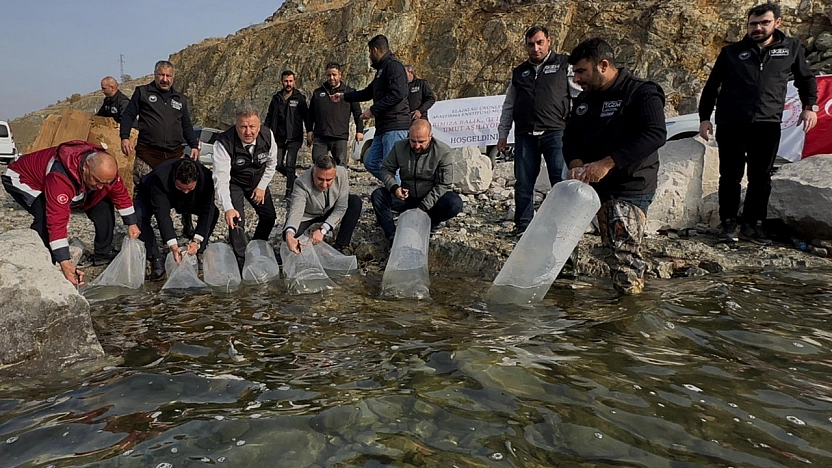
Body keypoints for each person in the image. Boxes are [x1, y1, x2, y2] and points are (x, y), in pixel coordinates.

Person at [698, 2, 818, 245]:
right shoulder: (731, 52)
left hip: (767, 123)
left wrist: (809, 108)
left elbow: (806, 79)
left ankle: (753, 225)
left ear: (777, 23)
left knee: (760, 177)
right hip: (731, 123)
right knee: (730, 175)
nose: (758, 28)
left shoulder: (791, 48)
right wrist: (704, 118)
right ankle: (729, 223)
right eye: (753, 24)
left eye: (764, 23)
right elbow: (712, 87)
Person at [563, 38, 667, 295]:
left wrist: (608, 163)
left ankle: (629, 319)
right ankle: (563, 308)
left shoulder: (641, 92)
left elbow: (655, 134)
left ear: (604, 65)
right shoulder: (585, 99)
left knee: (623, 257)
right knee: (559, 241)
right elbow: (570, 137)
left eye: (581, 71)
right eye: (574, 72)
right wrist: (575, 163)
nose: (576, 79)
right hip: (587, 186)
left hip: (629, 187)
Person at [1, 140, 140, 285]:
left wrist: (131, 223)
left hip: (77, 183)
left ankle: (102, 253)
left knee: (103, 202)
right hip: (23, 179)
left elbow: (119, 193)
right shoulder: (59, 176)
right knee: (44, 217)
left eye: (105, 182)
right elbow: (57, 220)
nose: (100, 186)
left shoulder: (104, 172)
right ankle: (46, 261)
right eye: (97, 181)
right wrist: (65, 262)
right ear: (86, 167)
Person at [497, 25, 576, 236]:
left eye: (540, 43)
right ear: (526, 46)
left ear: (549, 41)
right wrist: (503, 133)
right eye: (531, 44)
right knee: (523, 182)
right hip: (525, 135)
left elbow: (578, 96)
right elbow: (509, 105)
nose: (536, 48)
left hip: (556, 132)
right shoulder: (519, 72)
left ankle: (562, 227)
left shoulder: (564, 64)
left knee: (560, 181)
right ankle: (523, 225)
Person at [330, 35, 410, 181]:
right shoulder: (381, 71)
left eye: (370, 53)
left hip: (395, 126)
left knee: (391, 167)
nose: (369, 56)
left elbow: (398, 94)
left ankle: (398, 198)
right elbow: (368, 92)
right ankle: (395, 187)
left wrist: (373, 110)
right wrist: (343, 97)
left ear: (375, 50)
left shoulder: (393, 66)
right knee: (370, 162)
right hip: (383, 127)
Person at [370, 119, 463, 242]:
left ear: (430, 136)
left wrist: (423, 207)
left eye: (421, 142)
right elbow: (386, 169)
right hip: (406, 198)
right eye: (413, 141)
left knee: (454, 202)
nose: (417, 145)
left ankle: (431, 224)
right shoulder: (399, 147)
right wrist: (395, 188)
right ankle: (392, 235)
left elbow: (444, 184)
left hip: (430, 201)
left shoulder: (443, 152)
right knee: (378, 195)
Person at [213, 104, 278, 268]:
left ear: (259, 126)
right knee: (236, 220)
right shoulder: (223, 143)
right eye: (243, 127)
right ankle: (241, 259)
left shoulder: (268, 136)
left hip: (258, 181)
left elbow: (272, 164)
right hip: (234, 183)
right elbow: (221, 179)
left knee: (269, 216)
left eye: (252, 127)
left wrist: (262, 186)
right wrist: (227, 207)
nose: (248, 132)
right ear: (236, 126)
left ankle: (257, 245)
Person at [134, 158, 219, 280]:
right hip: (151, 194)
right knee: (138, 216)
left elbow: (208, 210)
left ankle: (198, 250)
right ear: (174, 178)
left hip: (191, 200)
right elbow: (162, 214)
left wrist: (197, 240)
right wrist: (173, 245)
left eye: (189, 188)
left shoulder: (207, 178)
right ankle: (155, 257)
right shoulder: (160, 177)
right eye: (181, 188)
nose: (185, 192)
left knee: (214, 213)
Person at [120, 60, 200, 187]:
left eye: (168, 76)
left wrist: (194, 145)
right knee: (145, 190)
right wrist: (124, 137)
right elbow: (128, 115)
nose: (165, 79)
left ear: (173, 77)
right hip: (148, 154)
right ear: (155, 75)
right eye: (161, 75)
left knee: (171, 190)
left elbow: (186, 125)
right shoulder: (142, 93)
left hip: (174, 155)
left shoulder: (180, 99)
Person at [283, 155, 362, 254]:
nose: (324, 185)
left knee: (355, 202)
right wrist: (289, 234)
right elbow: (296, 210)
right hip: (308, 214)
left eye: (329, 180)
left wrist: (323, 229)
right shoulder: (301, 183)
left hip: (331, 208)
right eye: (320, 179)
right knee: (288, 236)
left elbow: (341, 207)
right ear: (313, 172)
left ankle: (341, 245)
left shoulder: (342, 174)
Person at [307, 62, 365, 167]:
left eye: (334, 74)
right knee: (317, 165)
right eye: (329, 75)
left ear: (340, 75)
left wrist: (359, 131)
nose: (331, 77)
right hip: (320, 136)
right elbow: (310, 114)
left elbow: (357, 113)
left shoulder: (349, 92)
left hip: (340, 136)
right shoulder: (317, 93)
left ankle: (340, 184)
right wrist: (309, 130)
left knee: (341, 166)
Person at [264, 70, 311, 199]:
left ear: (294, 81)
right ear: (282, 82)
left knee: (290, 165)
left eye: (290, 81)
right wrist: (264, 132)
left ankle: (289, 192)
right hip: (278, 137)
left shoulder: (299, 98)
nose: (288, 84)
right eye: (286, 81)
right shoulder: (276, 98)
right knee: (276, 164)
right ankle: (296, 180)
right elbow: (269, 117)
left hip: (294, 138)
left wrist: (309, 131)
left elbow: (306, 117)